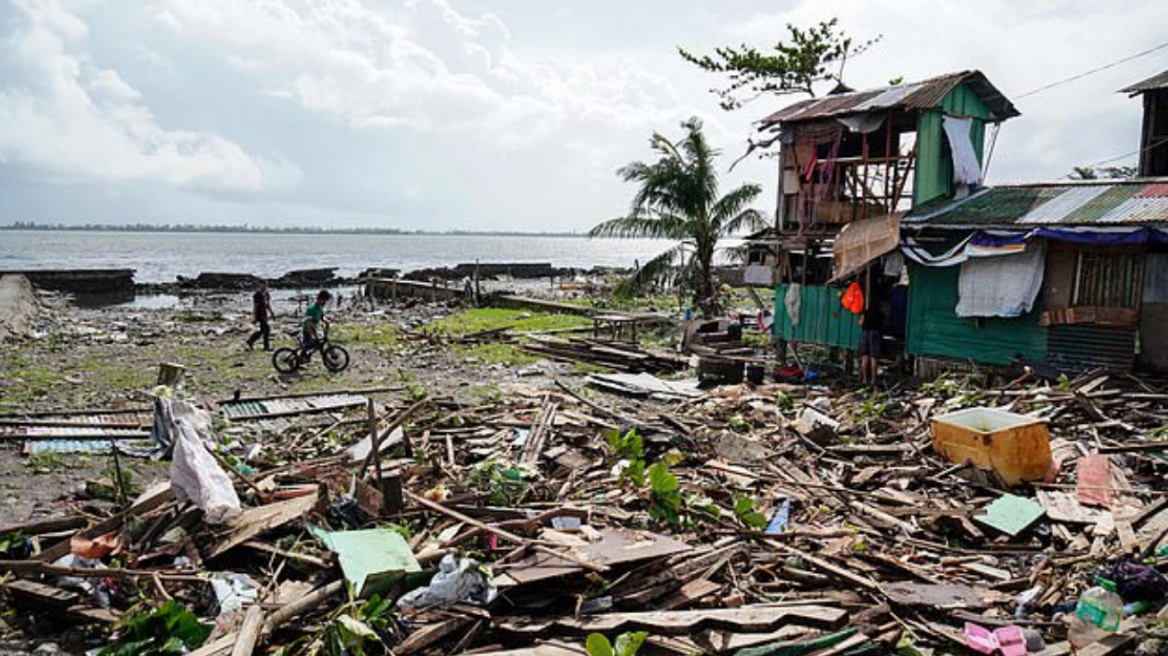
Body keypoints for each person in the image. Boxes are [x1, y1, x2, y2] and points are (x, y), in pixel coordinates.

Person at [858, 293, 884, 385]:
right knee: (873, 358)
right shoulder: (880, 314)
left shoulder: (866, 312)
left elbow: (860, 323)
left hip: (865, 333)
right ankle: (873, 380)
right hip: (875, 334)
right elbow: (882, 325)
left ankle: (864, 379)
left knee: (865, 357)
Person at [246, 280, 275, 351]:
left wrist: (272, 313)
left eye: (265, 285)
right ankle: (266, 347)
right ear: (260, 285)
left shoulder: (267, 294)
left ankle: (250, 341)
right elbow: (255, 306)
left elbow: (268, 305)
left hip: (264, 314)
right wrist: (255, 317)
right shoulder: (257, 295)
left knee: (263, 330)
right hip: (259, 314)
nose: (264, 286)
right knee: (267, 329)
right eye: (262, 285)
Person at [301, 290, 332, 357]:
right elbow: (308, 322)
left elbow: (322, 317)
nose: (325, 303)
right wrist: (312, 333)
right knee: (310, 345)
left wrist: (326, 321)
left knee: (316, 343)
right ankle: (298, 358)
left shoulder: (319, 308)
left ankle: (304, 357)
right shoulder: (311, 308)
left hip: (314, 329)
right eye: (324, 301)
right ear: (320, 299)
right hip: (307, 330)